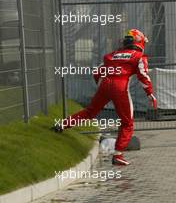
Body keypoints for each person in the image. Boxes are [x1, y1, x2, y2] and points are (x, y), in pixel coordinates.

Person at [52, 29, 157, 166]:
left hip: (105, 85)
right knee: (127, 123)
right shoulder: (139, 57)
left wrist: (102, 85)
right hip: (120, 87)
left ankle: (62, 124)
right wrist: (150, 94)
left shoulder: (112, 55)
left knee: (90, 112)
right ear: (140, 42)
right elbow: (143, 76)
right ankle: (118, 155)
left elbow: (98, 72)